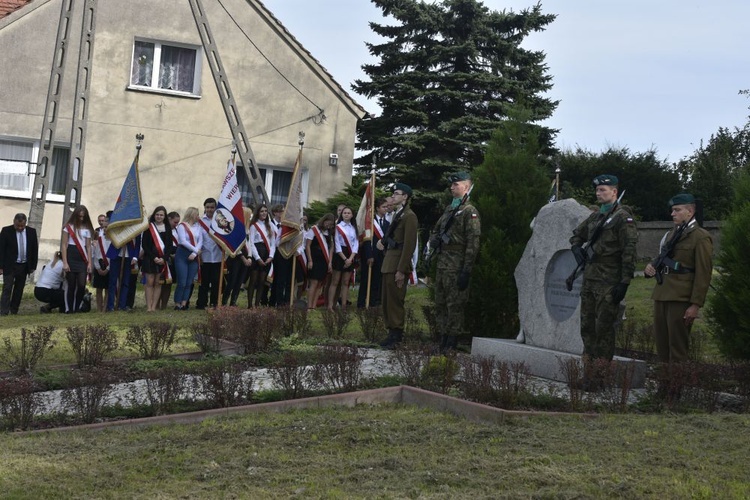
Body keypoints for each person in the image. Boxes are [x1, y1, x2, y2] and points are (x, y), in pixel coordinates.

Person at [569, 174, 638, 368]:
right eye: (597, 190)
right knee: (587, 327)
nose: (598, 193)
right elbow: (577, 235)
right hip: (590, 278)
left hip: (609, 281)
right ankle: (588, 369)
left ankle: (600, 373)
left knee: (604, 328)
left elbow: (629, 251)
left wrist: (624, 281)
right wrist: (576, 249)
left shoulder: (623, 218)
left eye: (603, 190)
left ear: (614, 192)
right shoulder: (596, 216)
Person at [644, 193, 713, 364]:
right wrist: (650, 267)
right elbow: (661, 257)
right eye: (672, 210)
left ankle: (675, 389)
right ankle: (664, 387)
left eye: (677, 210)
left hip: (681, 297)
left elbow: (703, 273)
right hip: (661, 294)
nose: (672, 214)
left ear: (690, 211)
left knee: (677, 348)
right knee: (662, 345)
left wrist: (695, 304)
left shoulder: (700, 236)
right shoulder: (670, 235)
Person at [429, 172, 481, 351]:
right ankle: (442, 338)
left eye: (455, 184)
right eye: (451, 185)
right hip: (443, 264)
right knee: (441, 303)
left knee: (455, 305)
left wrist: (466, 270)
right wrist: (434, 240)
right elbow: (437, 229)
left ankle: (452, 341)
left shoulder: (470, 211)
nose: (451, 188)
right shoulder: (450, 209)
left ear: (466, 187)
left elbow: (473, 242)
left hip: (457, 266)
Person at [378, 184, 418, 348]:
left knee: (395, 301)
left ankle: (397, 335)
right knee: (387, 300)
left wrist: (401, 270)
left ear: (405, 197)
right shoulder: (397, 215)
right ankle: (391, 332)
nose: (393, 196)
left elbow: (409, 245)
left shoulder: (409, 216)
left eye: (396, 194)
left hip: (397, 265)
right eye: (393, 193)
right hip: (389, 262)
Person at [0, 213, 39, 315]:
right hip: (10, 265)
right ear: (14, 222)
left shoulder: (31, 232)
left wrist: (33, 266)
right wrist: (0, 266)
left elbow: (34, 250)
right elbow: (1, 249)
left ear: (25, 223)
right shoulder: (6, 231)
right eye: (18, 226)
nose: (20, 228)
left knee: (19, 289)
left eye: (22, 226)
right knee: (7, 288)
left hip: (24, 265)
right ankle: (3, 311)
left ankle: (14, 310)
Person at [61, 205, 94, 313]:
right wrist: (65, 262)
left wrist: (89, 263)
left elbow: (88, 247)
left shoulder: (87, 229)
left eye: (83, 217)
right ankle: (69, 309)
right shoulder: (68, 227)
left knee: (81, 285)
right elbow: (64, 245)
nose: (81, 218)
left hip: (82, 259)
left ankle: (77, 307)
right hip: (71, 256)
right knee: (71, 285)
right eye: (79, 216)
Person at [358, 197, 389, 308]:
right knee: (365, 279)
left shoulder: (387, 223)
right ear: (377, 208)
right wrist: (369, 255)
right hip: (369, 254)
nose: (386, 209)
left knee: (376, 280)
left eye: (387, 207)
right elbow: (366, 240)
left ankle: (372, 302)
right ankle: (361, 303)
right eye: (383, 207)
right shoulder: (369, 222)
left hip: (380, 255)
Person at [142, 206, 174, 312]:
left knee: (157, 283)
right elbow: (145, 245)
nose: (159, 216)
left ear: (164, 216)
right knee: (149, 282)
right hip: (150, 258)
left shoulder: (168, 228)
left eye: (161, 215)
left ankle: (154, 306)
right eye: (157, 214)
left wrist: (164, 258)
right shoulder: (148, 227)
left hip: (162, 260)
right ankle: (149, 307)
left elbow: (169, 246)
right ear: (154, 215)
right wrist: (154, 257)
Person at [327, 206, 359, 311]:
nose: (346, 214)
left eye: (348, 213)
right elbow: (337, 244)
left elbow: (356, 244)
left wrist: (350, 259)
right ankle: (330, 305)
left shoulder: (354, 228)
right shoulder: (338, 227)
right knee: (335, 281)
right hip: (340, 255)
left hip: (350, 255)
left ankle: (344, 306)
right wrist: (345, 259)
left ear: (352, 215)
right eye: (344, 213)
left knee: (346, 282)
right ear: (341, 215)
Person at [222, 206, 253, 306]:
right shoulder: (234, 228)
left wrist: (249, 257)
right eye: (250, 215)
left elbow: (250, 244)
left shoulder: (248, 229)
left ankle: (233, 302)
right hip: (235, 257)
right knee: (232, 281)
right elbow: (234, 245)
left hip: (245, 256)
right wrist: (243, 258)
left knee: (239, 282)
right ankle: (224, 302)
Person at [174, 207, 203, 310]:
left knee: (189, 282)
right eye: (197, 214)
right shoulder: (182, 226)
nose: (198, 216)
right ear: (192, 214)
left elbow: (200, 241)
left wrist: (195, 254)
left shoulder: (198, 227)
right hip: (182, 254)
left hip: (194, 256)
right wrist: (195, 250)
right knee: (182, 281)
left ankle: (184, 303)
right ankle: (177, 303)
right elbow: (182, 241)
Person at [246, 205, 275, 307]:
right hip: (256, 253)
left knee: (262, 281)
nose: (264, 213)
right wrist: (257, 258)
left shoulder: (270, 226)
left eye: (266, 211)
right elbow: (251, 243)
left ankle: (257, 304)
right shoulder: (254, 226)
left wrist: (271, 256)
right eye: (262, 211)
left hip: (266, 253)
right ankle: (250, 305)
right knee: (253, 280)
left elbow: (273, 243)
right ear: (258, 213)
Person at [305, 213, 335, 309]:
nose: (328, 226)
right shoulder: (314, 230)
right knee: (313, 283)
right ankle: (309, 306)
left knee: (319, 284)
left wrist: (330, 262)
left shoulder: (330, 233)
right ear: (324, 220)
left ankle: (314, 306)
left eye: (331, 225)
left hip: (324, 261)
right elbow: (308, 246)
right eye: (328, 223)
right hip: (314, 259)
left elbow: (331, 249)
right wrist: (310, 260)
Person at [197, 198, 222, 309]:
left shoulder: (220, 220)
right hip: (205, 256)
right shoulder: (200, 222)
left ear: (215, 208)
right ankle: (201, 303)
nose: (210, 209)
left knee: (216, 282)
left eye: (212, 207)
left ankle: (214, 303)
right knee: (204, 282)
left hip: (218, 256)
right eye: (207, 207)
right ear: (204, 208)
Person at [157, 211, 181, 309]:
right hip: (164, 256)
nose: (176, 224)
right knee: (160, 282)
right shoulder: (162, 229)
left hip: (175, 257)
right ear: (169, 219)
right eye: (175, 222)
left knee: (169, 282)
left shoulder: (177, 230)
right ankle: (156, 304)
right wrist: (168, 255)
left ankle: (164, 305)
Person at [91, 212, 111, 312]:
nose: (104, 223)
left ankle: (104, 308)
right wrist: (97, 267)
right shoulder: (97, 235)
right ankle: (99, 309)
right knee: (99, 289)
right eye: (103, 221)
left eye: (107, 221)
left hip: (109, 264)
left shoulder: (113, 237)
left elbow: (113, 253)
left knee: (107, 288)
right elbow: (94, 253)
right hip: (99, 263)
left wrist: (108, 268)